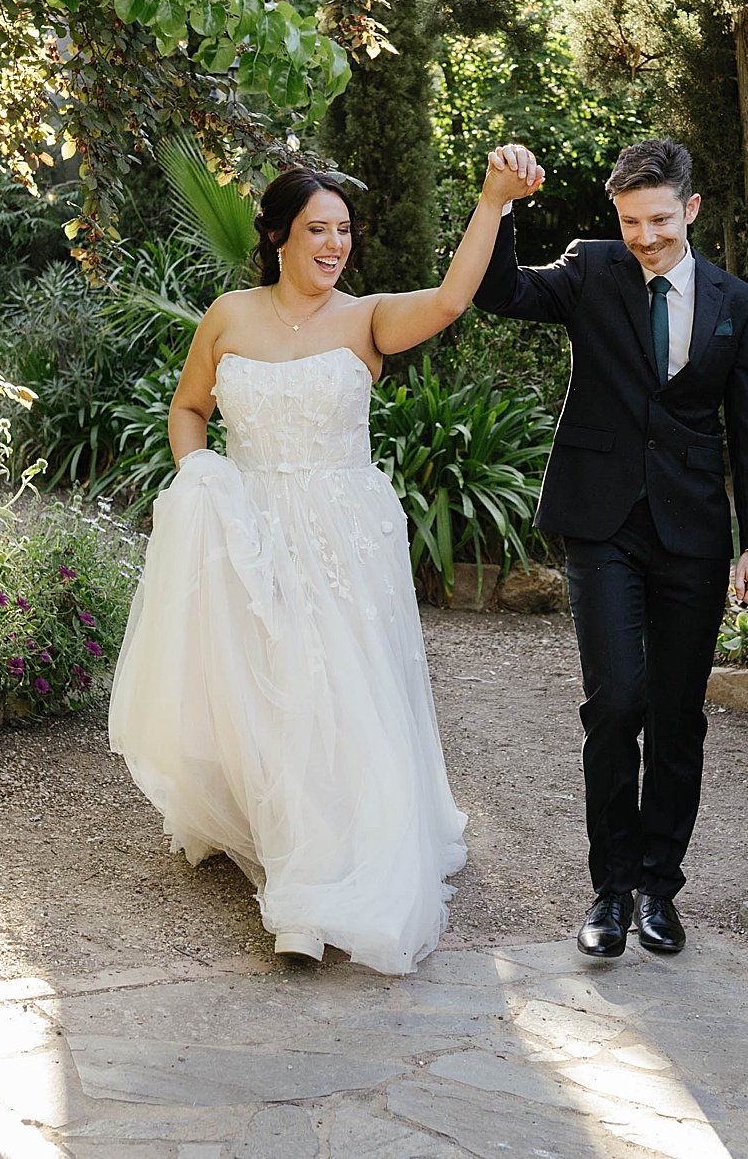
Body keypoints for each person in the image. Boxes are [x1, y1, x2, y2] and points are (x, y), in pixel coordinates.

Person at [107, 145, 547, 974]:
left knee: (334, 694)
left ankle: (313, 895)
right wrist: (202, 478)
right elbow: (189, 409)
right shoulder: (228, 316)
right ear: (278, 235)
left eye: (345, 229)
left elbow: (452, 300)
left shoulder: (367, 318)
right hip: (251, 528)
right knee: (272, 695)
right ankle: (294, 856)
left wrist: (493, 200)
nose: (336, 244)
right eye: (318, 228)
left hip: (343, 538)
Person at [473, 138, 748, 958]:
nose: (644, 237)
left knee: (678, 715)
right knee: (615, 703)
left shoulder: (737, 303)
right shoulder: (591, 268)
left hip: (692, 531)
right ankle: (609, 889)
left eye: (660, 220)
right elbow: (499, 290)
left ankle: (657, 889)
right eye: (631, 221)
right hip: (601, 521)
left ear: (692, 208)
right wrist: (500, 202)